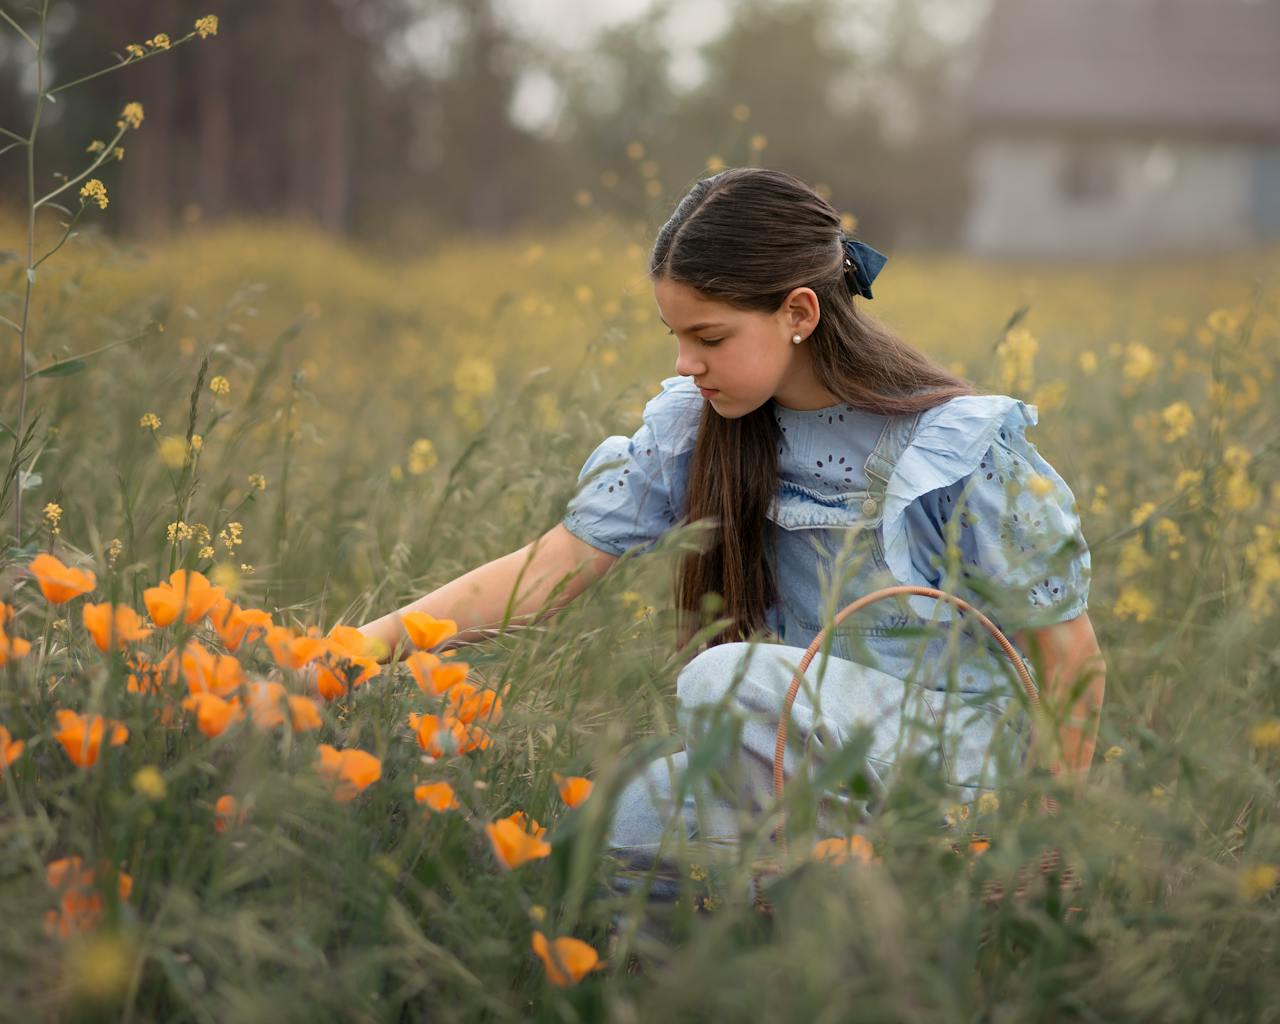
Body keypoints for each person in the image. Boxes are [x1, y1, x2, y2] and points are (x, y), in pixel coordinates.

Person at [357, 167, 1106, 905]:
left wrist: (1042, 831)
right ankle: (758, 931)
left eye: (709, 337)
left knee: (723, 681)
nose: (686, 364)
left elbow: (1070, 657)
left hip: (955, 762)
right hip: (804, 754)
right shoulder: (706, 428)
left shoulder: (951, 448)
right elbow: (550, 567)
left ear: (800, 314)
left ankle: (858, 879)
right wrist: (349, 655)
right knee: (613, 832)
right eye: (676, 336)